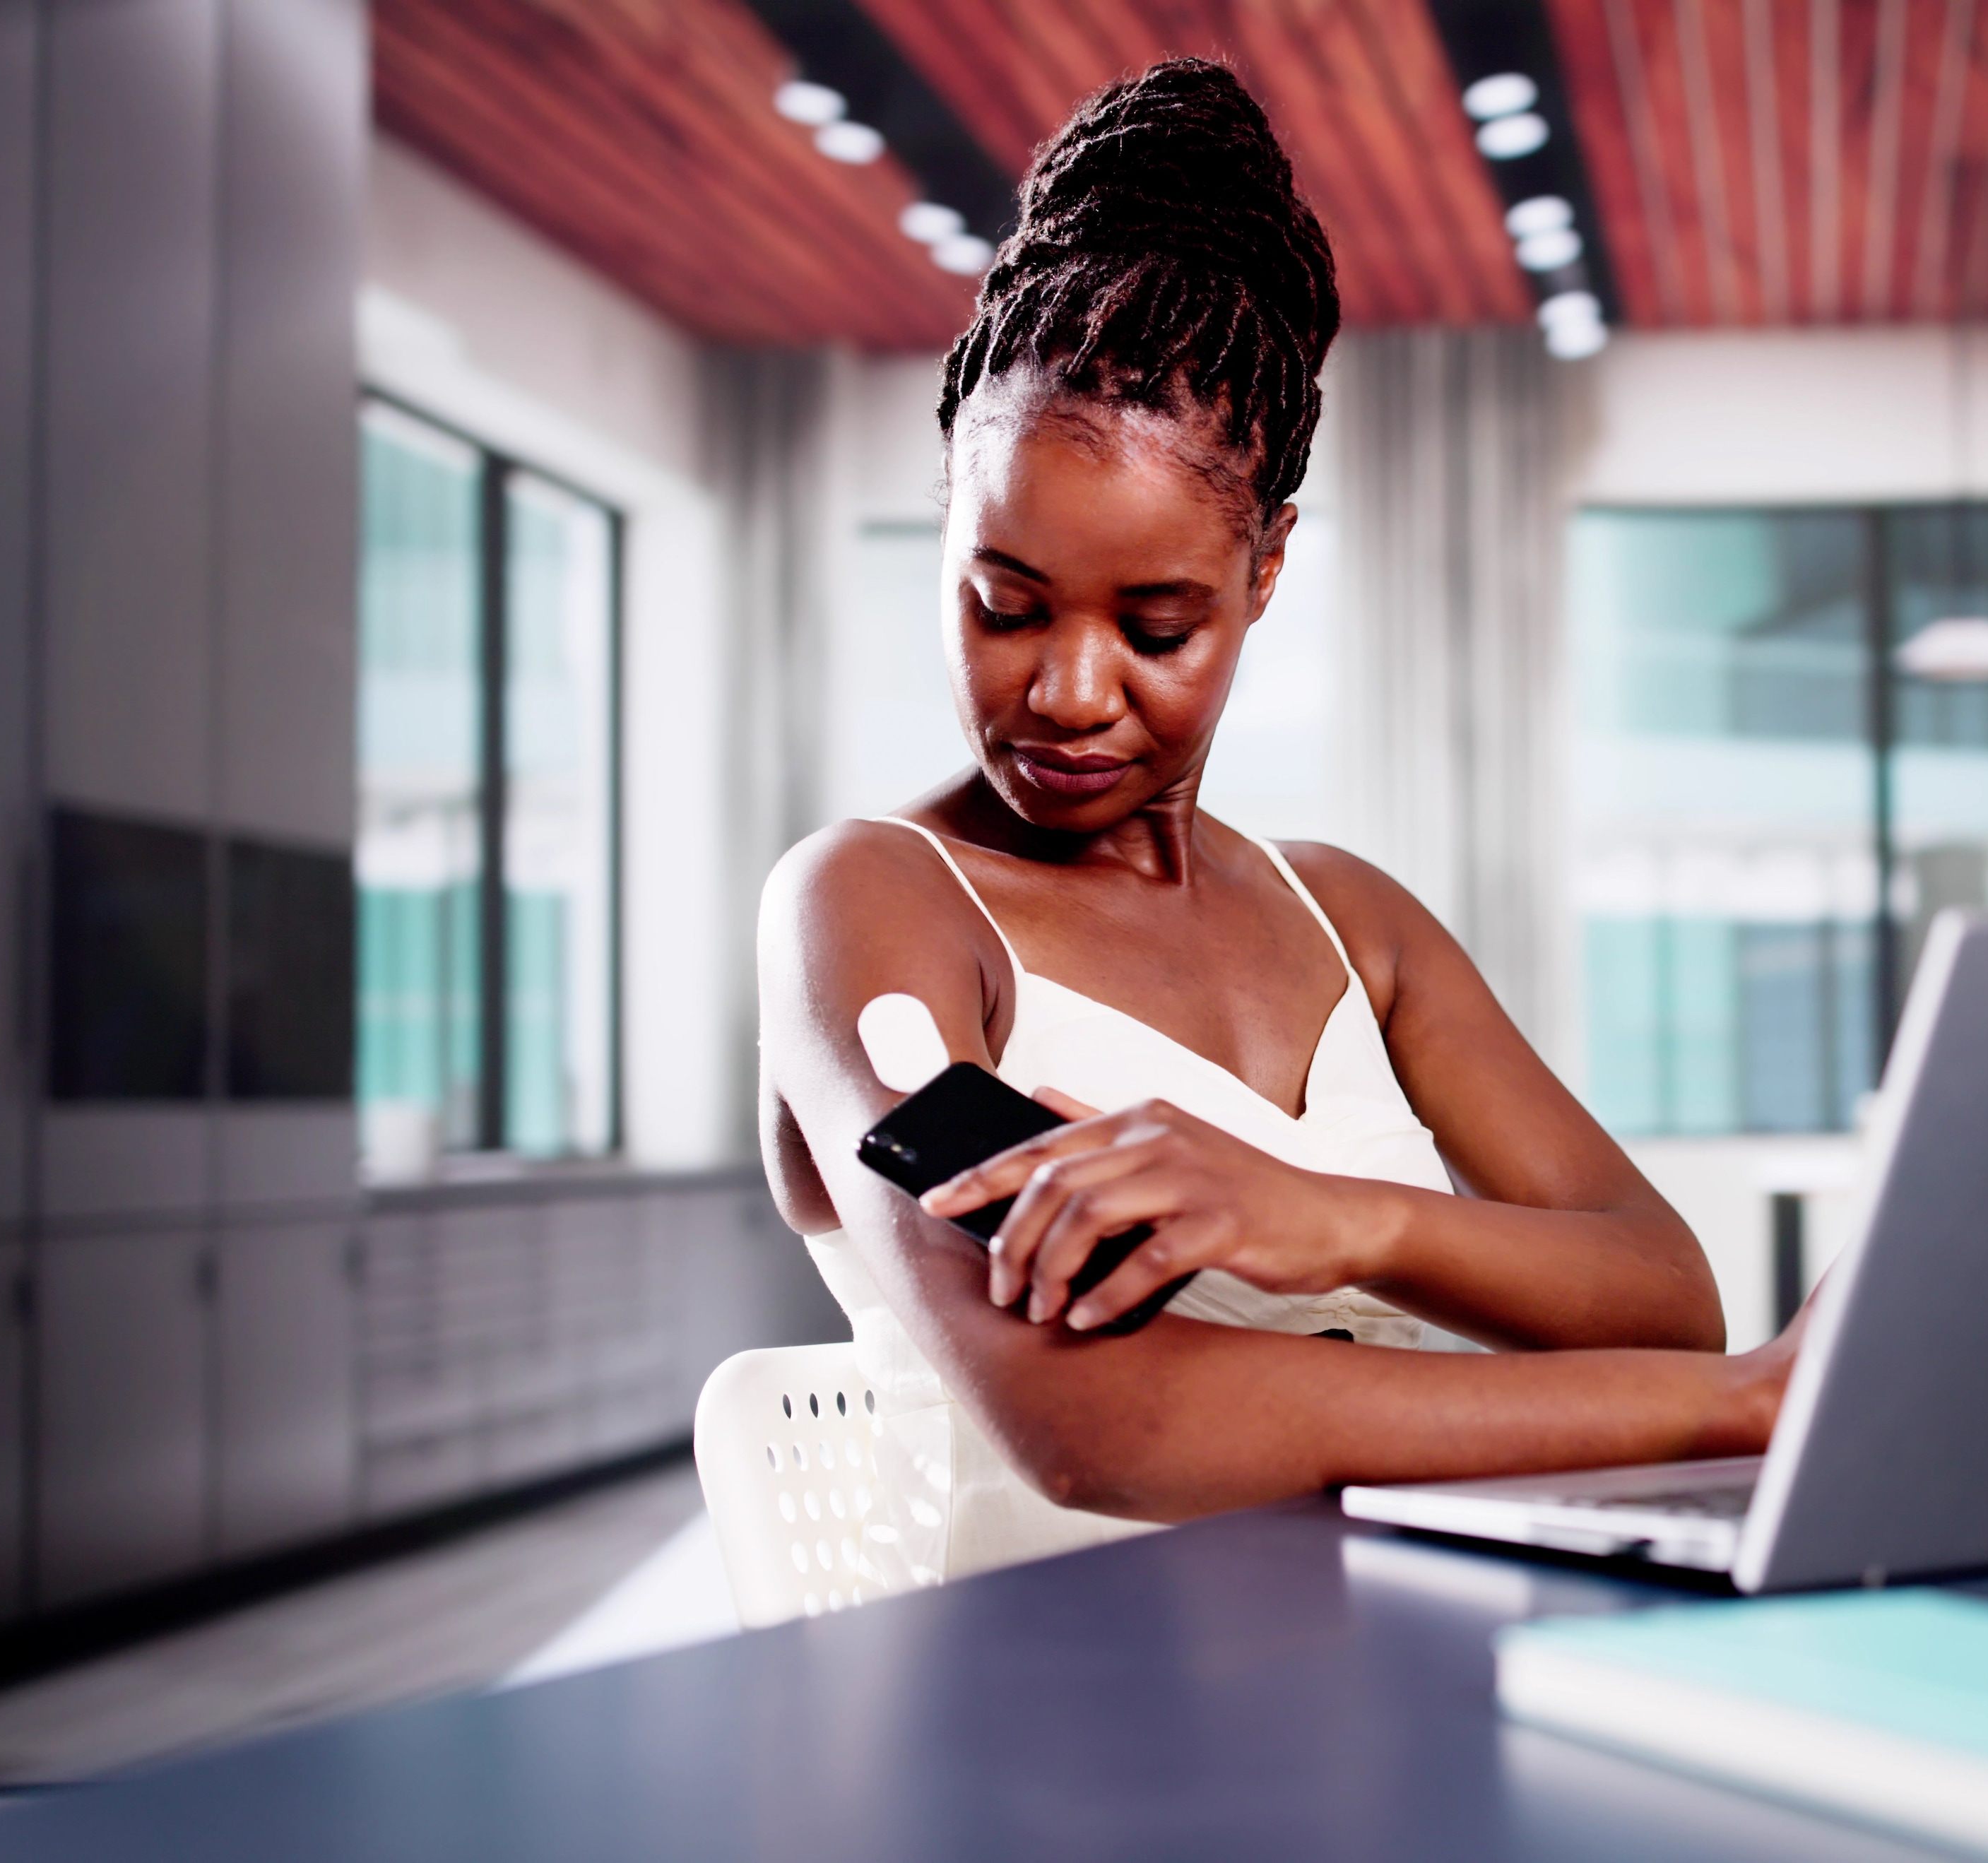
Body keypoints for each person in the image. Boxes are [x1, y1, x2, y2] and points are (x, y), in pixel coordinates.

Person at [756, 59, 1797, 1593]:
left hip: (1392, 1659)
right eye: (1003, 603)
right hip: (1038, 1724)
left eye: (1159, 623)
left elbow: (1653, 1288)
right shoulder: (877, 906)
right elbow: (1091, 1417)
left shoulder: (1348, 920)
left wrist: (1335, 1221)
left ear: (1265, 571)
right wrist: (1734, 1410)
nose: (1066, 690)